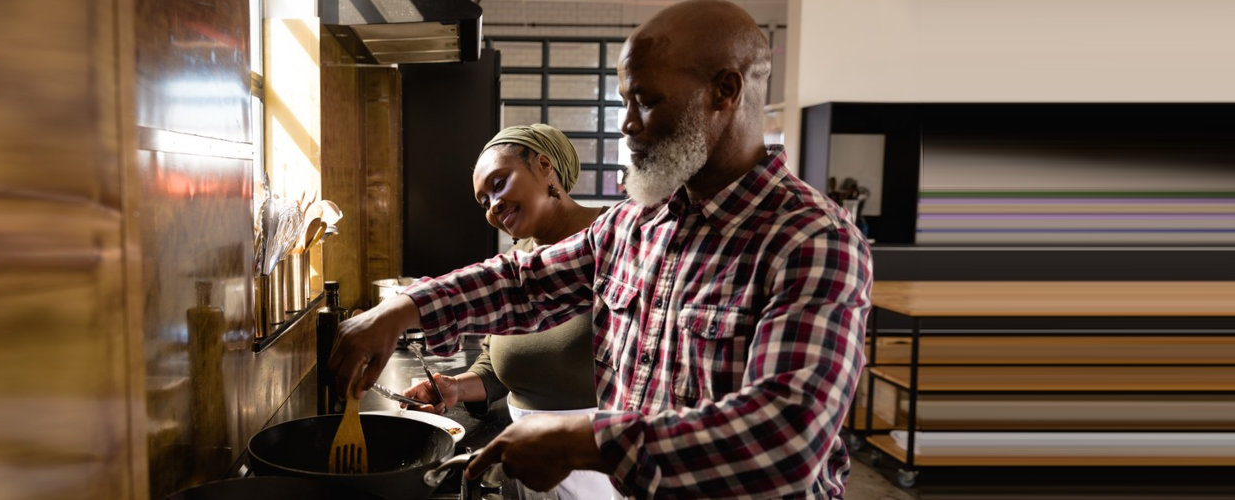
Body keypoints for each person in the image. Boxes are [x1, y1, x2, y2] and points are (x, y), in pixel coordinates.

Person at [332, 0, 872, 497]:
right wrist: (401, 309)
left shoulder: (810, 239)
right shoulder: (637, 223)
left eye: (647, 100)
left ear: (724, 91)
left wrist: (584, 440)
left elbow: (787, 435)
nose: (628, 124)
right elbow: (524, 283)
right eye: (624, 101)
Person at [399, 123, 618, 499]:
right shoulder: (513, 270)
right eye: (484, 202)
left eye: (499, 184)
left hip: (597, 467)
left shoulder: (618, 244)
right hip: (526, 462)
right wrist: (457, 387)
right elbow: (497, 359)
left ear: (545, 167)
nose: (493, 206)